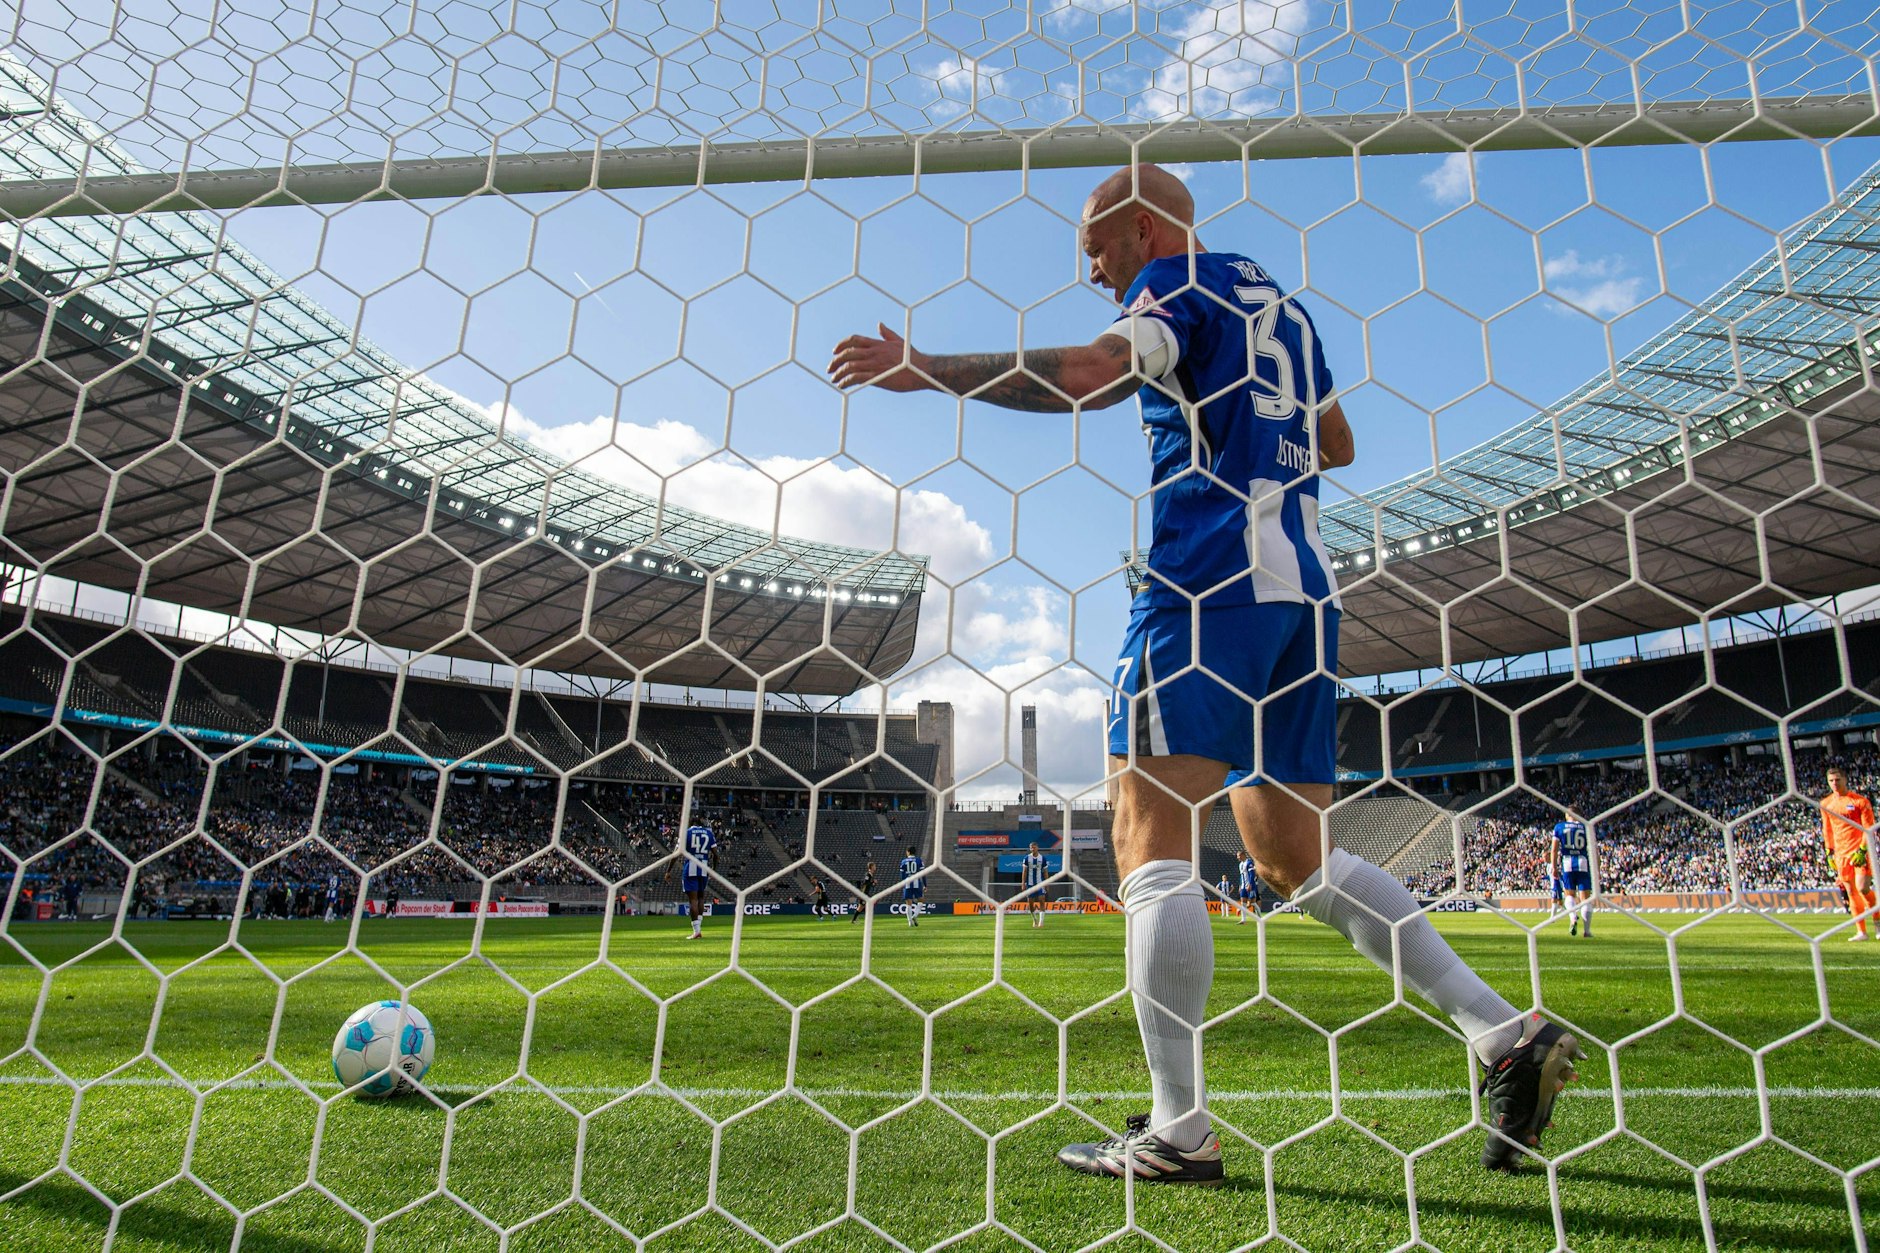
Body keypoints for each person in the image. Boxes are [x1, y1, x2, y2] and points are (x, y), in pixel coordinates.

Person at [831, 163, 1579, 1181]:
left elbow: (1092, 373)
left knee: (1148, 833)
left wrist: (930, 369)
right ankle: (1501, 1031)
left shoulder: (1172, 291)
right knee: (1293, 859)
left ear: (1142, 226)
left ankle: (1178, 1128)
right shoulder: (1283, 308)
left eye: (1094, 248)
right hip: (1303, 595)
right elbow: (1338, 440)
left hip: (1205, 585)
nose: (1093, 272)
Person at [1822, 766, 1876, 941]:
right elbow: (1827, 829)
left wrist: (1862, 849)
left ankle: (1878, 923)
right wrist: (1829, 851)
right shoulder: (1826, 803)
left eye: (1837, 780)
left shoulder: (1860, 801)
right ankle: (1861, 932)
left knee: (1863, 888)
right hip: (1841, 853)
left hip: (1859, 850)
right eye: (1831, 780)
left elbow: (1869, 827)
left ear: (1845, 779)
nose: (1835, 783)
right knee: (1851, 892)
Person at [1551, 811, 1594, 938]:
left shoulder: (1559, 827)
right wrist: (1597, 868)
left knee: (1569, 895)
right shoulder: (1585, 826)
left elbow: (1554, 849)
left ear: (1567, 814)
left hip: (1567, 862)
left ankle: (1573, 916)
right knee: (1585, 899)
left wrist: (1553, 866)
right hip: (1583, 862)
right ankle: (1586, 931)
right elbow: (1593, 849)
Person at [680, 820, 717, 940]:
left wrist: (668, 871)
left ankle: (696, 931)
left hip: (690, 868)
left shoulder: (687, 833)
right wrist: (713, 870)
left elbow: (676, 853)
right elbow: (716, 855)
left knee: (693, 901)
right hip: (704, 868)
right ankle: (699, 928)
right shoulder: (708, 833)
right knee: (701, 898)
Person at [1021, 841, 1049, 928]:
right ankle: (1034, 919)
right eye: (1031, 847)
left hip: (1040, 883)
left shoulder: (1042, 858)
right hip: (1030, 884)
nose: (1032, 849)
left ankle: (1041, 922)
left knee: (1042, 900)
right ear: (1030, 848)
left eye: (1034, 847)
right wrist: (1023, 883)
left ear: (1037, 847)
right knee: (1030, 903)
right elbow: (1024, 872)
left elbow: (1045, 872)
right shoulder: (1026, 858)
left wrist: (1047, 883)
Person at [898, 845, 925, 928]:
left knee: (908, 903)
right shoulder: (919, 860)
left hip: (907, 883)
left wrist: (903, 883)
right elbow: (923, 874)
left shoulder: (903, 861)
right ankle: (915, 916)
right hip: (917, 882)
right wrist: (925, 885)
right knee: (921, 900)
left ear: (908, 852)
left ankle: (910, 922)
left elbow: (902, 875)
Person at [1236, 853, 1259, 924]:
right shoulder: (1240, 864)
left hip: (1249, 885)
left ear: (1243, 855)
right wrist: (1240, 885)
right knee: (1243, 902)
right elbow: (1241, 876)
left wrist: (1250, 884)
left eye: (1238, 856)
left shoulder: (1249, 863)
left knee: (1253, 903)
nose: (1237, 857)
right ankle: (1243, 920)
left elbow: (1252, 875)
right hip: (1243, 886)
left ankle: (1260, 918)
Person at [853, 858, 877, 924]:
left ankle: (855, 919)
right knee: (862, 907)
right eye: (874, 866)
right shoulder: (868, 875)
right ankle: (855, 919)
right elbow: (865, 883)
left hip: (866, 893)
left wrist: (873, 883)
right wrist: (873, 882)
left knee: (861, 907)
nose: (875, 867)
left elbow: (869, 884)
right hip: (864, 893)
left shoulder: (871, 875)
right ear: (871, 867)